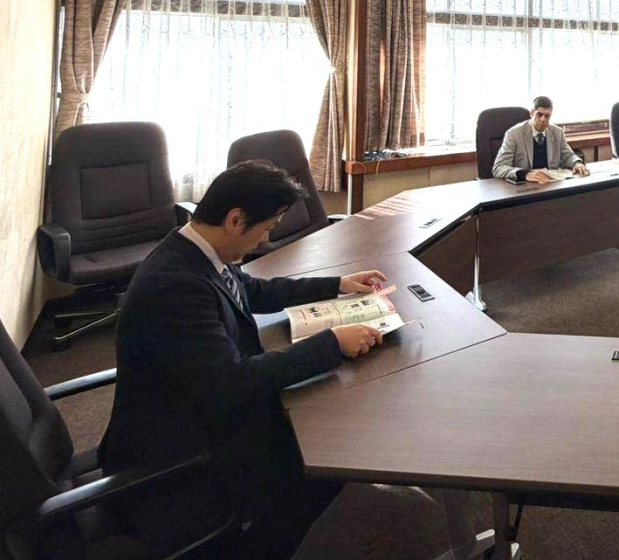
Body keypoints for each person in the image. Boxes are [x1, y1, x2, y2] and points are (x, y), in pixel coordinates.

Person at [99, 161, 494, 559]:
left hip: (197, 409)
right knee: (327, 456)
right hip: (182, 451)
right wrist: (332, 343)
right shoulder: (176, 286)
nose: (266, 238)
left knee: (328, 414)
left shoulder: (195, 251)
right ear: (235, 220)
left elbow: (254, 291)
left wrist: (337, 285)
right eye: (266, 228)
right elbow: (231, 384)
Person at [492, 95, 591, 183]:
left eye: (547, 116)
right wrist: (525, 174)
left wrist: (577, 163)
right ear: (531, 113)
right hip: (525, 186)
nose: (543, 119)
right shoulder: (514, 134)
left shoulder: (557, 132)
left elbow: (568, 155)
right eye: (539, 115)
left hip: (550, 183)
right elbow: (499, 168)